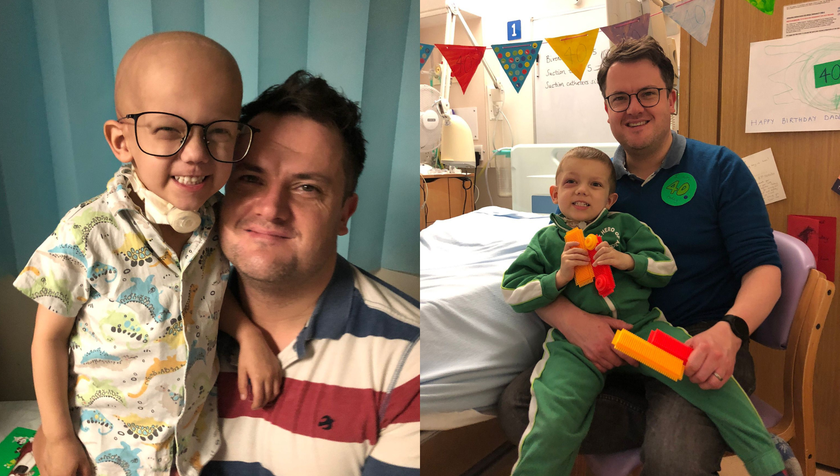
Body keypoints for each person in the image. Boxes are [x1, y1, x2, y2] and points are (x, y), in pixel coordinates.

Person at [498, 37, 793, 475]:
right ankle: (681, 415)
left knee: (673, 456)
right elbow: (547, 264)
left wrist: (729, 332)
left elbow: (764, 270)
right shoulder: (595, 181)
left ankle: (687, 416)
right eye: (620, 98)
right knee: (516, 407)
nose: (634, 108)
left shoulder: (721, 169)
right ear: (607, 108)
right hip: (611, 341)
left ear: (671, 99)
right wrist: (573, 322)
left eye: (648, 94)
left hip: (697, 340)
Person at [15, 32, 278, 476]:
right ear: (122, 141)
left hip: (189, 451)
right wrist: (57, 437)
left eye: (218, 132)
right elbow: (48, 340)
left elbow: (204, 296)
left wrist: (247, 332)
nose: (196, 154)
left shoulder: (219, 221)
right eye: (169, 130)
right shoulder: (87, 232)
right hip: (101, 454)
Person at [200, 71, 420, 476]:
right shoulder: (174, 315)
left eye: (307, 188)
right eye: (250, 178)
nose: (271, 208)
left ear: (344, 214)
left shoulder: (409, 361)